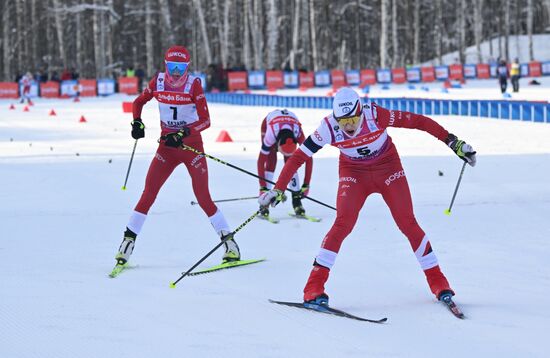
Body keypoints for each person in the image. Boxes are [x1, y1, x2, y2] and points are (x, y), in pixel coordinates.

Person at [259, 87, 476, 306]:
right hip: (354, 173)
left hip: (387, 168)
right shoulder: (328, 127)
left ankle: (438, 281)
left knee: (407, 223)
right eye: (343, 121)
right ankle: (313, 287)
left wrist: (453, 142)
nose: (349, 126)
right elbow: (298, 158)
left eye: (353, 119)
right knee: (343, 223)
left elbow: (419, 121)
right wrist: (278, 188)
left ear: (361, 111)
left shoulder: (375, 114)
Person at [113, 45, 241, 268]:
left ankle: (230, 244)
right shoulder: (158, 82)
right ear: (165, 65)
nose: (175, 72)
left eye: (180, 68)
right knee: (148, 194)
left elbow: (206, 120)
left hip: (191, 148)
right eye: (171, 67)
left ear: (187, 67)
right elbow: (138, 102)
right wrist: (137, 122)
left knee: (203, 197)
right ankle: (127, 242)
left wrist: (183, 133)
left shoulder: (194, 85)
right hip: (166, 148)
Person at [257, 109, 313, 219]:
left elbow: (309, 158)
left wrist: (306, 184)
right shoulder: (270, 135)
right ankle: (265, 201)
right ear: (277, 144)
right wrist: (262, 187)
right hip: (269, 124)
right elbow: (260, 161)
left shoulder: (298, 133)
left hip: (290, 125)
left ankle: (296, 202)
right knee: (271, 159)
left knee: (291, 163)